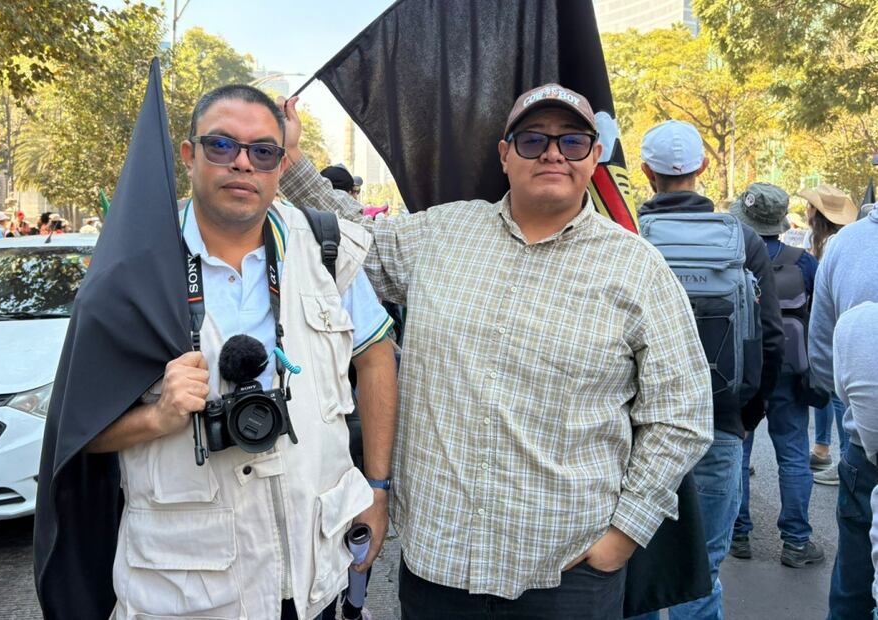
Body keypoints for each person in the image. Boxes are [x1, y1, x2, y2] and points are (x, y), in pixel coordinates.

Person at [280, 84, 714, 619]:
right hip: (439, 563)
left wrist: (625, 533)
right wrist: (290, 155)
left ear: (594, 155)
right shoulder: (441, 234)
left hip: (566, 573)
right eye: (533, 140)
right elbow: (350, 235)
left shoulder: (639, 269)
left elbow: (681, 414)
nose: (553, 154)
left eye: (572, 141)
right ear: (505, 154)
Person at [66, 84, 399, 620]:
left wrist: (377, 490)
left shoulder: (325, 248)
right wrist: (158, 416)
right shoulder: (133, 267)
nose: (243, 163)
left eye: (263, 151)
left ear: (281, 164)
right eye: (221, 145)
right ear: (189, 154)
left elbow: (377, 356)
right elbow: (75, 432)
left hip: (313, 577)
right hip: (187, 592)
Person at [631, 124, 783, 618]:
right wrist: (745, 418)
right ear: (702, 167)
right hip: (718, 423)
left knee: (635, 571)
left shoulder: (625, 234)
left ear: (646, 171)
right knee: (701, 573)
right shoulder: (742, 240)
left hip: (635, 431)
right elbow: (770, 340)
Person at [728, 183, 825, 567]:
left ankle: (738, 534)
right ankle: (797, 542)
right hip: (790, 369)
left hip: (745, 367)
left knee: (738, 451)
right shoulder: (804, 263)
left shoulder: (732, 256)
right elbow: (820, 317)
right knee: (794, 454)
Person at [809, 201, 878, 619]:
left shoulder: (845, 245)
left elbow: (821, 354)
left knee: (854, 589)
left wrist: (856, 401)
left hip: (865, 444)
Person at [799, 184, 858, 486]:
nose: (806, 210)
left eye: (810, 206)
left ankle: (845, 458)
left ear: (817, 213)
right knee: (826, 392)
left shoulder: (835, 243)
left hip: (834, 323)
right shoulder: (820, 240)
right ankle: (822, 448)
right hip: (834, 321)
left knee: (836, 394)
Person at [830, 302, 878, 620]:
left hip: (862, 451)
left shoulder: (857, 322)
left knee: (851, 589)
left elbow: (837, 387)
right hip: (863, 454)